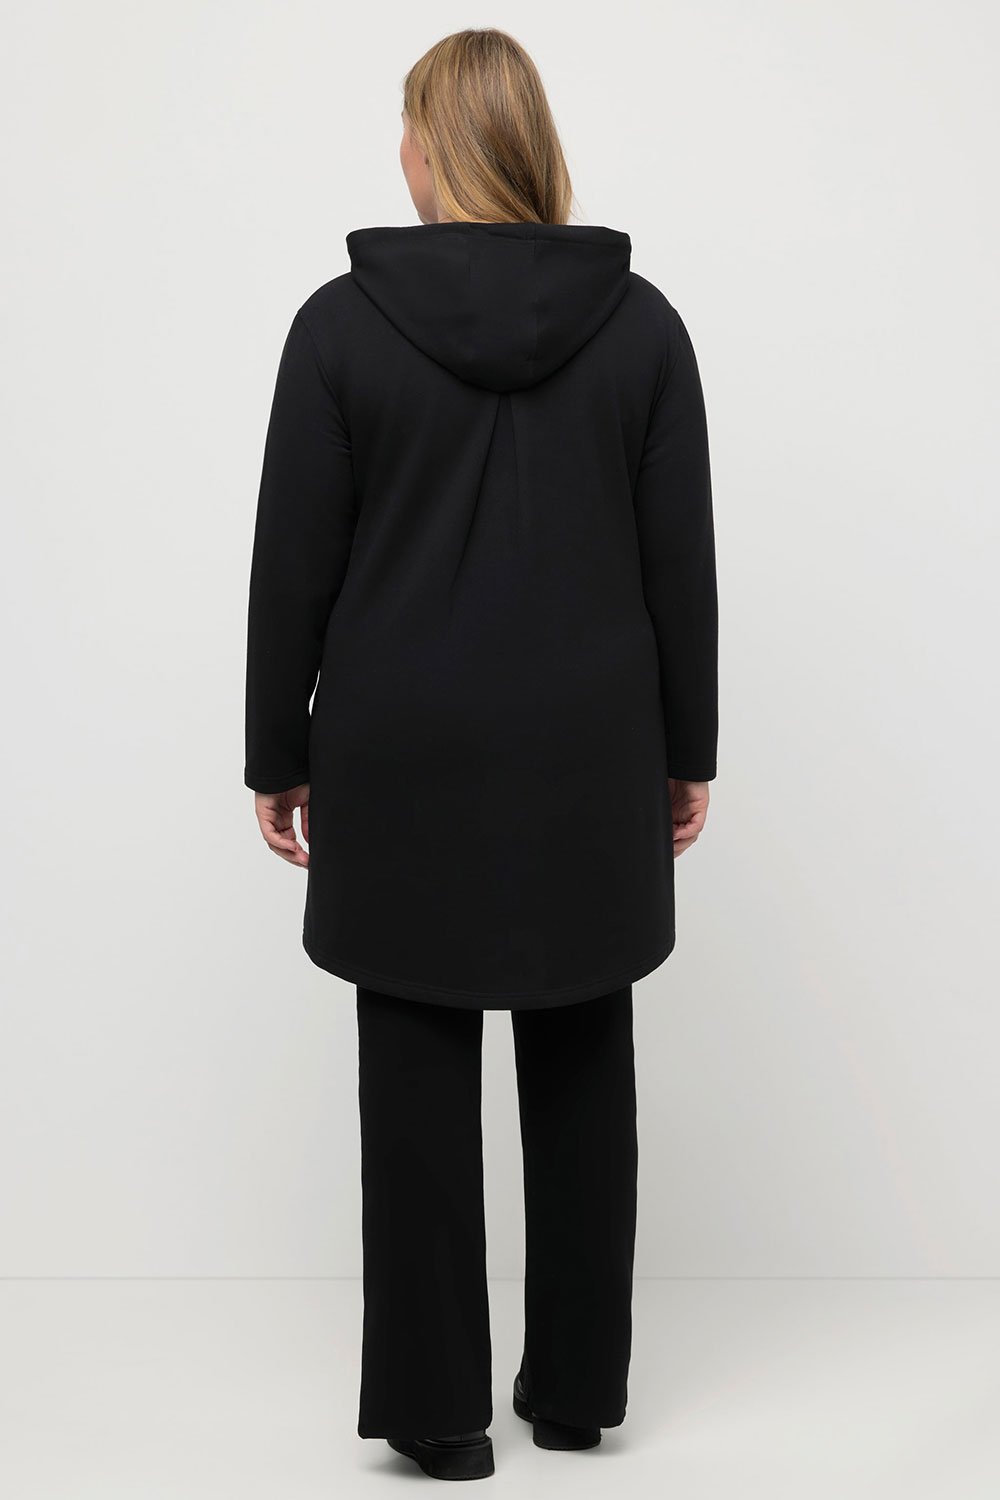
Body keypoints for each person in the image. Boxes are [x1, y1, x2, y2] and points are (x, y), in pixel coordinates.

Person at [244, 26, 718, 1483]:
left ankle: (436, 1411)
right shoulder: (643, 328)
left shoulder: (340, 328)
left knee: (414, 1055)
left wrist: (275, 749)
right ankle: (575, 1392)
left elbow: (292, 562)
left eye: (406, 128)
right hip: (588, 744)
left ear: (432, 148)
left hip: (401, 745)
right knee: (582, 1048)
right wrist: (687, 748)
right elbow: (679, 565)